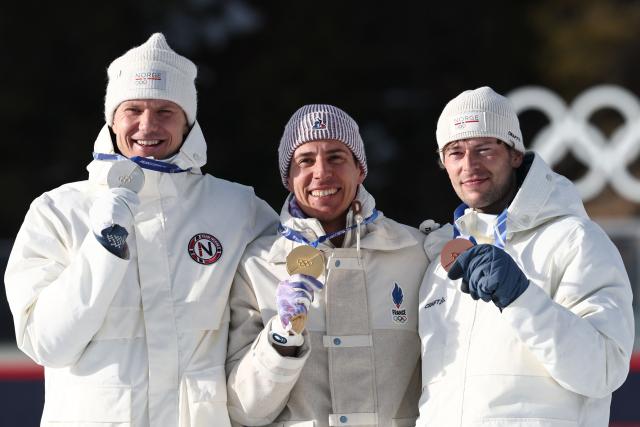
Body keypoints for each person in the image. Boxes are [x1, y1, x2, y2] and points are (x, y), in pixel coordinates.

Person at [4, 33, 277, 427]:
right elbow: (49, 344)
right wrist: (105, 243)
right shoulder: (58, 211)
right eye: (133, 109)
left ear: (188, 122)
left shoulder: (238, 209)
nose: (147, 125)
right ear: (112, 118)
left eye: (165, 110)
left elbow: (297, 286)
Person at [417, 86, 635, 426]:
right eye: (455, 152)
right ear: (443, 164)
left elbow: (604, 370)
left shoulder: (574, 239)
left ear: (515, 154)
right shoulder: (439, 265)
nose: (469, 165)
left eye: (484, 149)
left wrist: (521, 298)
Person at [226, 104, 442, 426]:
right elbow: (244, 410)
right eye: (305, 160)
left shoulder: (414, 252)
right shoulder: (257, 265)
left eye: (336, 157)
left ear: (360, 169)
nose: (322, 172)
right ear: (288, 177)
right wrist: (281, 341)